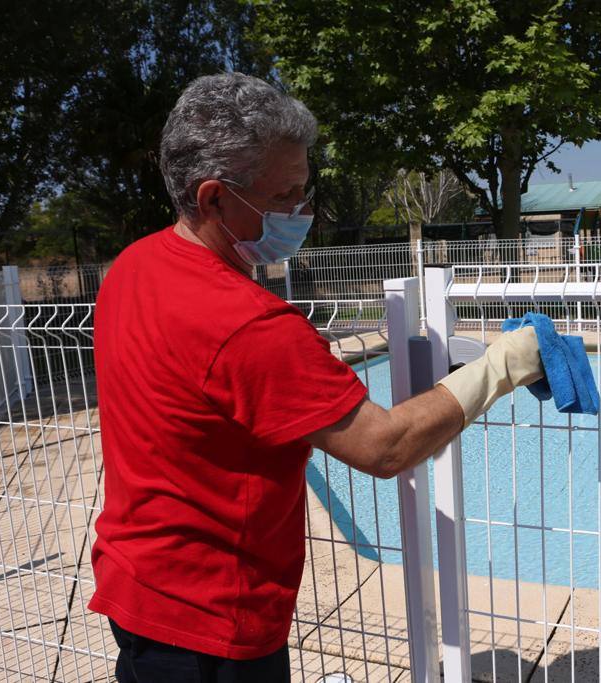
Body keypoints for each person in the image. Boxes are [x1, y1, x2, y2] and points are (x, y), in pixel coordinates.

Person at [88, 72, 542, 683]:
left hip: (135, 582)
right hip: (213, 619)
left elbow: (197, 380)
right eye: (284, 197)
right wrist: (504, 364)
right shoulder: (249, 326)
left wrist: (290, 363)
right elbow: (386, 446)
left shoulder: (135, 267)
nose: (301, 213)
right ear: (214, 197)